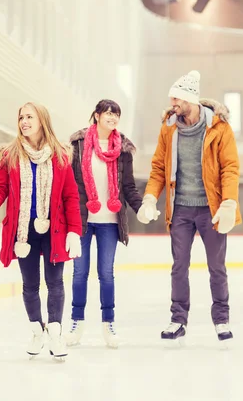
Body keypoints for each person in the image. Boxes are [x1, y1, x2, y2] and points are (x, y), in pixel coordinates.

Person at [137, 70, 241, 343]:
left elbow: (230, 167)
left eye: (176, 99)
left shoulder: (219, 128)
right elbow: (159, 167)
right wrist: (150, 197)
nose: (172, 103)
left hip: (211, 209)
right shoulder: (169, 128)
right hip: (180, 209)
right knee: (179, 266)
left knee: (217, 267)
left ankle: (221, 320)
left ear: (189, 99)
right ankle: (177, 319)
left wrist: (229, 202)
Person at [0, 102, 82, 361]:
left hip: (53, 230)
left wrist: (74, 231)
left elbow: (70, 196)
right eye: (21, 117)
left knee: (54, 283)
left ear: (42, 120)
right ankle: (36, 330)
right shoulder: (10, 155)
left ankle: (55, 332)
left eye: (29, 117)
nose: (24, 122)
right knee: (30, 285)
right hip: (23, 233)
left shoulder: (61, 155)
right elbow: (0, 190)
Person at [65, 99, 145, 348]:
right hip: (83, 220)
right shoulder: (78, 145)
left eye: (116, 114)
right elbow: (70, 185)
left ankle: (108, 324)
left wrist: (141, 207)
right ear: (97, 116)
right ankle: (76, 322)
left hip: (110, 221)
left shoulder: (122, 150)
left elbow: (129, 187)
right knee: (79, 274)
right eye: (108, 113)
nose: (112, 117)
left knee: (106, 275)